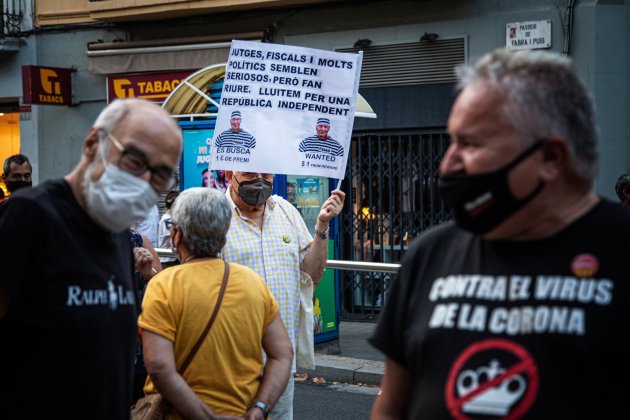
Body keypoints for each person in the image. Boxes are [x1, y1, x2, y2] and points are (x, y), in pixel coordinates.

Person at [369, 48, 629, 419]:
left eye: (471, 144)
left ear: (551, 158)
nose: (448, 164)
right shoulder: (429, 254)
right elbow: (391, 405)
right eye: (451, 142)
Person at [0, 98, 182, 420]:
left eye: (160, 176)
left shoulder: (115, 230)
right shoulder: (30, 215)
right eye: (137, 163)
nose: (145, 183)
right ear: (93, 143)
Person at [140, 188, 293, 419]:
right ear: (223, 235)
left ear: (177, 234)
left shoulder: (163, 285)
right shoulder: (253, 283)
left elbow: (159, 367)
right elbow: (283, 355)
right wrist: (259, 408)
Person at [222, 170, 345, 419]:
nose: (259, 181)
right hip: (230, 363)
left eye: (266, 175)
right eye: (249, 174)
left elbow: (311, 275)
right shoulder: (214, 216)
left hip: (281, 363)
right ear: (229, 174)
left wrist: (322, 226)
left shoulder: (286, 211)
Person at [157, 190, 180, 268]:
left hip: (171, 258)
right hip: (168, 259)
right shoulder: (167, 219)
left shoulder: (169, 218)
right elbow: (172, 239)